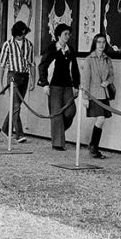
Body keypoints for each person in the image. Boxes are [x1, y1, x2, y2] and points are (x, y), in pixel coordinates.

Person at [37, 23, 79, 151]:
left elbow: (75, 69)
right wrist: (44, 84)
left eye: (69, 34)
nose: (68, 36)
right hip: (54, 86)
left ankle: (58, 131)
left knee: (70, 111)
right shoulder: (51, 49)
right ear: (58, 35)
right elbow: (42, 66)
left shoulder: (70, 49)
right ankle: (58, 143)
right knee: (56, 114)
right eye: (65, 34)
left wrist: (76, 85)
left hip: (67, 86)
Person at [80, 32, 115, 159]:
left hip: (104, 94)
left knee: (102, 120)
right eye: (99, 42)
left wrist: (107, 81)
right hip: (93, 94)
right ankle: (93, 147)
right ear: (95, 43)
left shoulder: (107, 59)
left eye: (103, 42)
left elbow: (111, 75)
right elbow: (85, 79)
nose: (101, 44)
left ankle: (94, 146)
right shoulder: (89, 59)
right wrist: (85, 97)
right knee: (100, 119)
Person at [0, 20, 34, 143]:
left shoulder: (29, 45)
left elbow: (31, 64)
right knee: (15, 106)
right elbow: (2, 65)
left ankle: (5, 128)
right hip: (13, 75)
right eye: (20, 34)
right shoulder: (7, 45)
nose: (22, 36)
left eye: (24, 34)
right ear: (15, 34)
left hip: (25, 75)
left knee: (17, 105)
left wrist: (33, 80)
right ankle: (19, 134)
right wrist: (0, 83)